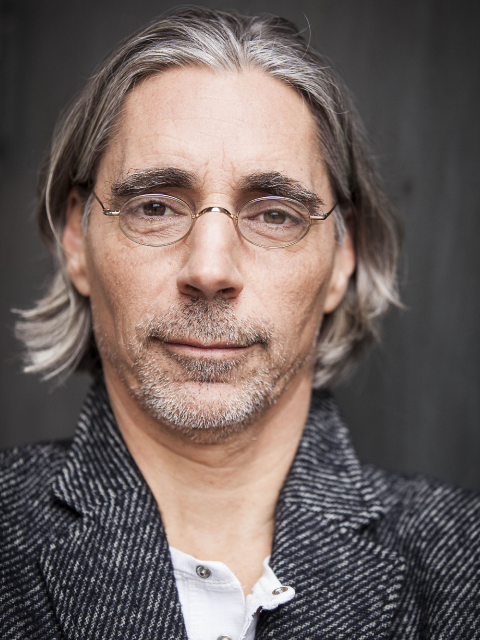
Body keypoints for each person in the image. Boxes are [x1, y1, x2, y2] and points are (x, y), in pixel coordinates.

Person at [1, 7, 479, 639]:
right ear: (75, 239)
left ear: (344, 257)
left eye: (275, 214)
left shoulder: (464, 561)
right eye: (155, 206)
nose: (209, 269)